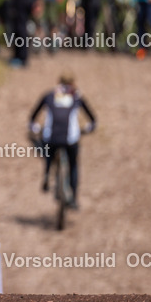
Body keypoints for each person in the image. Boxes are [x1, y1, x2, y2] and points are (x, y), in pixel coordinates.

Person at [28, 73, 97, 209]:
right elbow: (93, 120)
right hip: (70, 139)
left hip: (51, 138)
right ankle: (74, 198)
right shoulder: (77, 96)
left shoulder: (49, 95)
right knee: (73, 165)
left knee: (46, 150)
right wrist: (88, 129)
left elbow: (32, 118)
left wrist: (35, 128)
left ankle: (47, 174)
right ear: (73, 83)